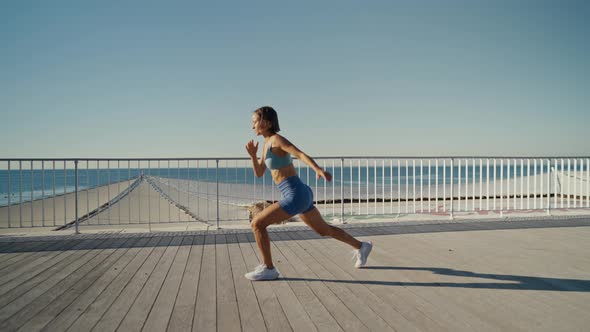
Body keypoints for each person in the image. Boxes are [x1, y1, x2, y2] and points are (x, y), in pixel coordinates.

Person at [244, 106, 372, 281]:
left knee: (257, 224)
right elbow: (259, 172)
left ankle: (269, 268)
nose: (252, 126)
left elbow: (299, 153)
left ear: (265, 122)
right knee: (324, 230)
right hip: (301, 193)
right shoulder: (267, 144)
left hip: (295, 194)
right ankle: (362, 246)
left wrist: (317, 169)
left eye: (254, 121)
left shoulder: (277, 140)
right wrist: (252, 156)